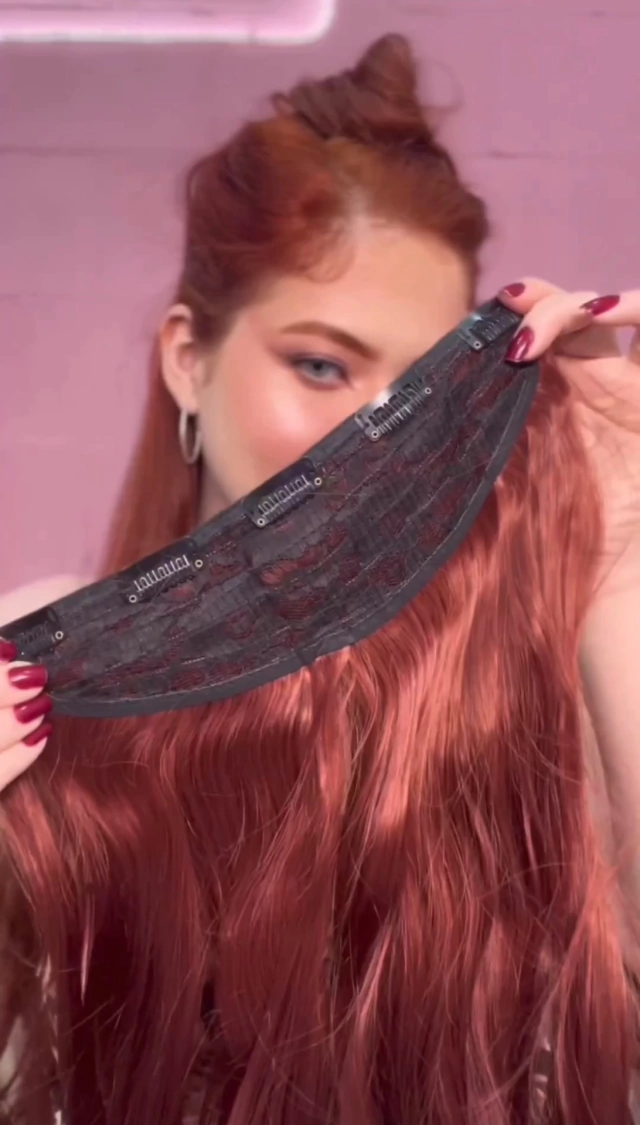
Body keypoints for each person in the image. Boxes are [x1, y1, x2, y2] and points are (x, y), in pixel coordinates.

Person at [0, 31, 639, 1125]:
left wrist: (622, 538)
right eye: (320, 365)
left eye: (420, 396)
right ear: (189, 360)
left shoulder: (534, 711)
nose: (367, 442)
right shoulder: (30, 677)